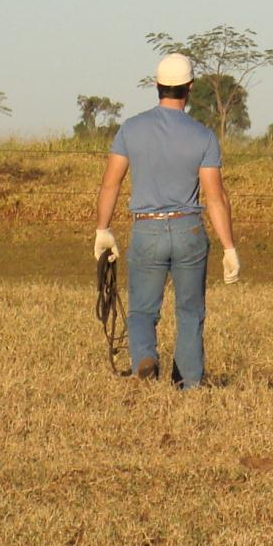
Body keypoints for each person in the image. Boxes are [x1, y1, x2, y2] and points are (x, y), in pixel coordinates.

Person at [94, 53, 239, 387]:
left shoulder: (131, 129)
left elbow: (110, 183)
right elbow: (215, 197)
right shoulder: (203, 136)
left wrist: (103, 229)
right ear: (190, 88)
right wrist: (229, 247)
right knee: (190, 313)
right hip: (189, 228)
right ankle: (190, 384)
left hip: (147, 229)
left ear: (157, 86)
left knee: (143, 309)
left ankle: (145, 357)